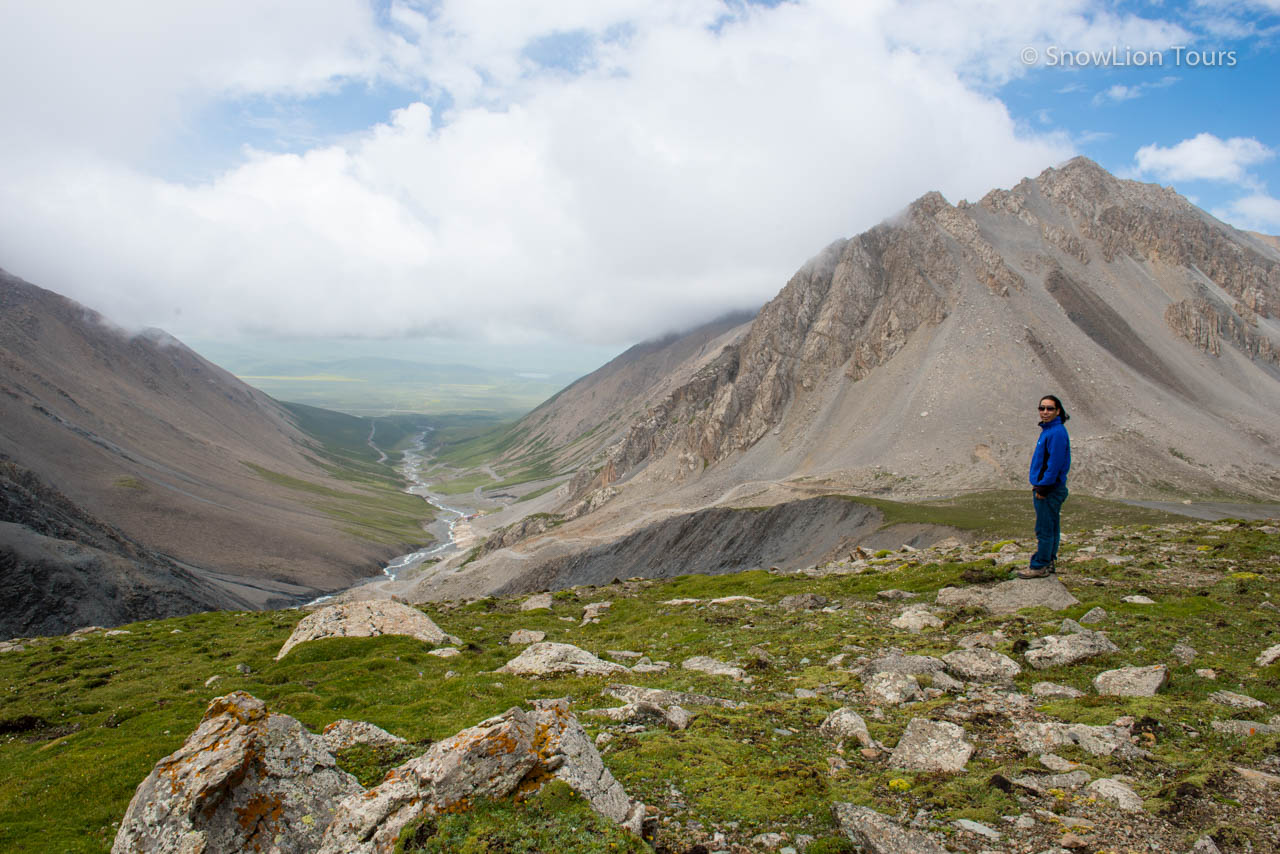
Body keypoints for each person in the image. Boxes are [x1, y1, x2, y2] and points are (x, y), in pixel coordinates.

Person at [1018, 394, 1071, 579]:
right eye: (1042, 408)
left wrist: (1044, 487)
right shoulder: (1050, 431)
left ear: (1058, 411)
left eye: (1049, 408)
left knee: (1044, 529)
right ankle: (1048, 562)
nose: (1045, 412)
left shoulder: (1056, 432)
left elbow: (1055, 462)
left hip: (1048, 489)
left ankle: (1039, 565)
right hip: (1050, 487)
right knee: (1052, 526)